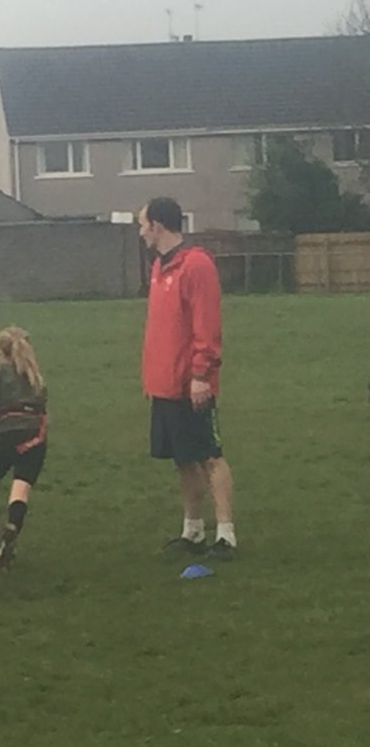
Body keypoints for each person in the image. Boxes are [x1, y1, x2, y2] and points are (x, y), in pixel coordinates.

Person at [139, 197, 237, 559]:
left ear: (158, 225)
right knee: (182, 459)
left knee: (209, 456)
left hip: (191, 384)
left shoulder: (196, 265)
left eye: (143, 224)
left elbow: (207, 325)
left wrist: (200, 374)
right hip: (164, 384)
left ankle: (225, 535)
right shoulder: (159, 266)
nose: (141, 232)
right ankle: (192, 530)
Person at [0, 327, 48, 569]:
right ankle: (13, 524)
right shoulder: (34, 374)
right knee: (20, 489)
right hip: (36, 433)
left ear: (0, 351)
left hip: (8, 431)